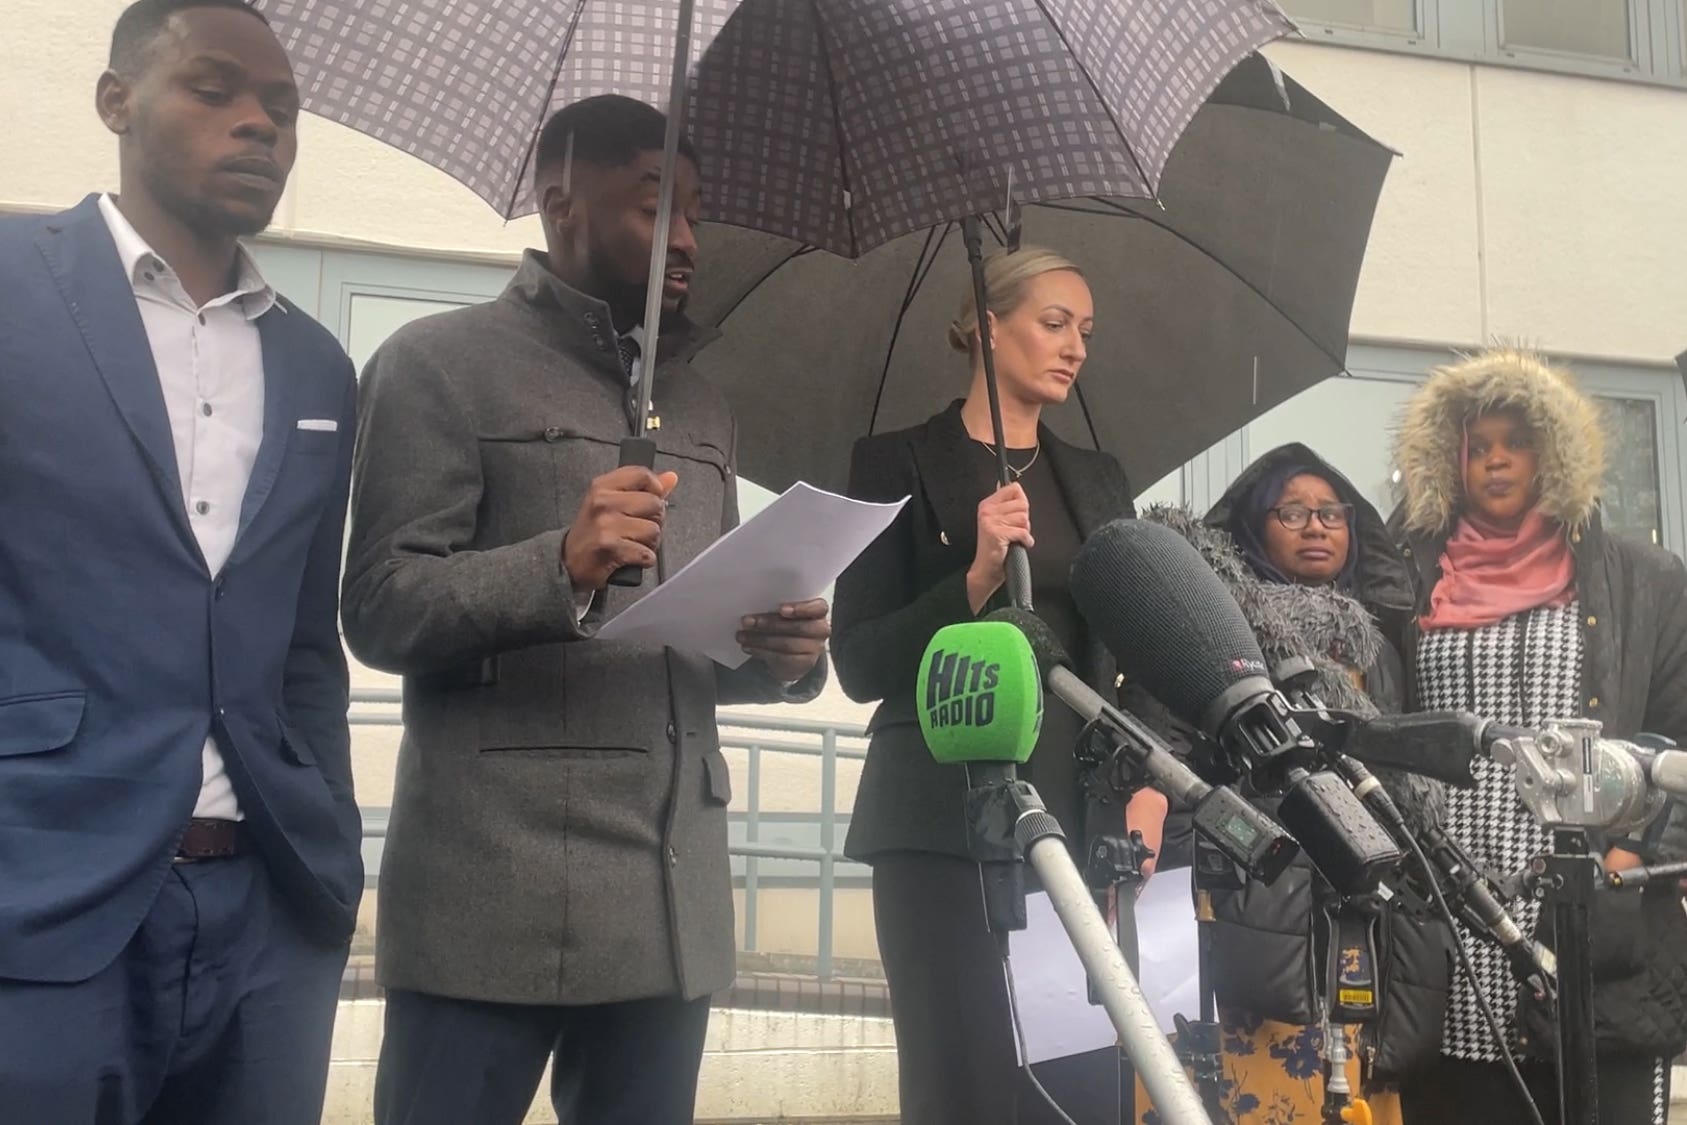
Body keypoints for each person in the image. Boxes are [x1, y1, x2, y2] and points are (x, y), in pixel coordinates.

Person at [342, 94, 830, 1125]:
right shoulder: (437, 366)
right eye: (658, 208)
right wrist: (555, 566)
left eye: (697, 211)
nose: (689, 239)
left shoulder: (702, 407)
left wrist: (779, 656)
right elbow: (381, 608)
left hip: (672, 908)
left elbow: (687, 643)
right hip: (492, 900)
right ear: (561, 202)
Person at [0, 1, 364, 1121]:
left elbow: (308, 649)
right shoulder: (13, 287)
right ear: (117, 101)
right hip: (40, 895)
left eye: (284, 109)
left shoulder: (314, 366)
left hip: (265, 912)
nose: (261, 125)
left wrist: (331, 854)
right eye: (216, 90)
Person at [831, 246, 1171, 1125]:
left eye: (1084, 332)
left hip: (1080, 816)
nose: (1073, 348)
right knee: (961, 1081)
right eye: (1053, 323)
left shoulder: (1095, 477)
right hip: (935, 820)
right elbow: (859, 661)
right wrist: (972, 578)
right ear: (986, 327)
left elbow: (1143, 642)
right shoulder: (894, 462)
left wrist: (1146, 786)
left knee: (1078, 1084)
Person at [1390, 348, 1687, 1124]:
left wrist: (1624, 865)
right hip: (1450, 907)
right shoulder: (1408, 577)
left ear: (1552, 452)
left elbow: (1677, 739)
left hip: (1591, 900)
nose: (1494, 461)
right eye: (1476, 445)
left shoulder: (1639, 576)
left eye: (1513, 442)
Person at [1134, 444, 1451, 1125]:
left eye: (1330, 512)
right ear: (1253, 523)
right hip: (1253, 896)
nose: (1316, 526)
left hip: (1361, 915)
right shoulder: (1213, 623)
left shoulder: (1382, 642)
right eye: (1293, 511)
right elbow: (1167, 747)